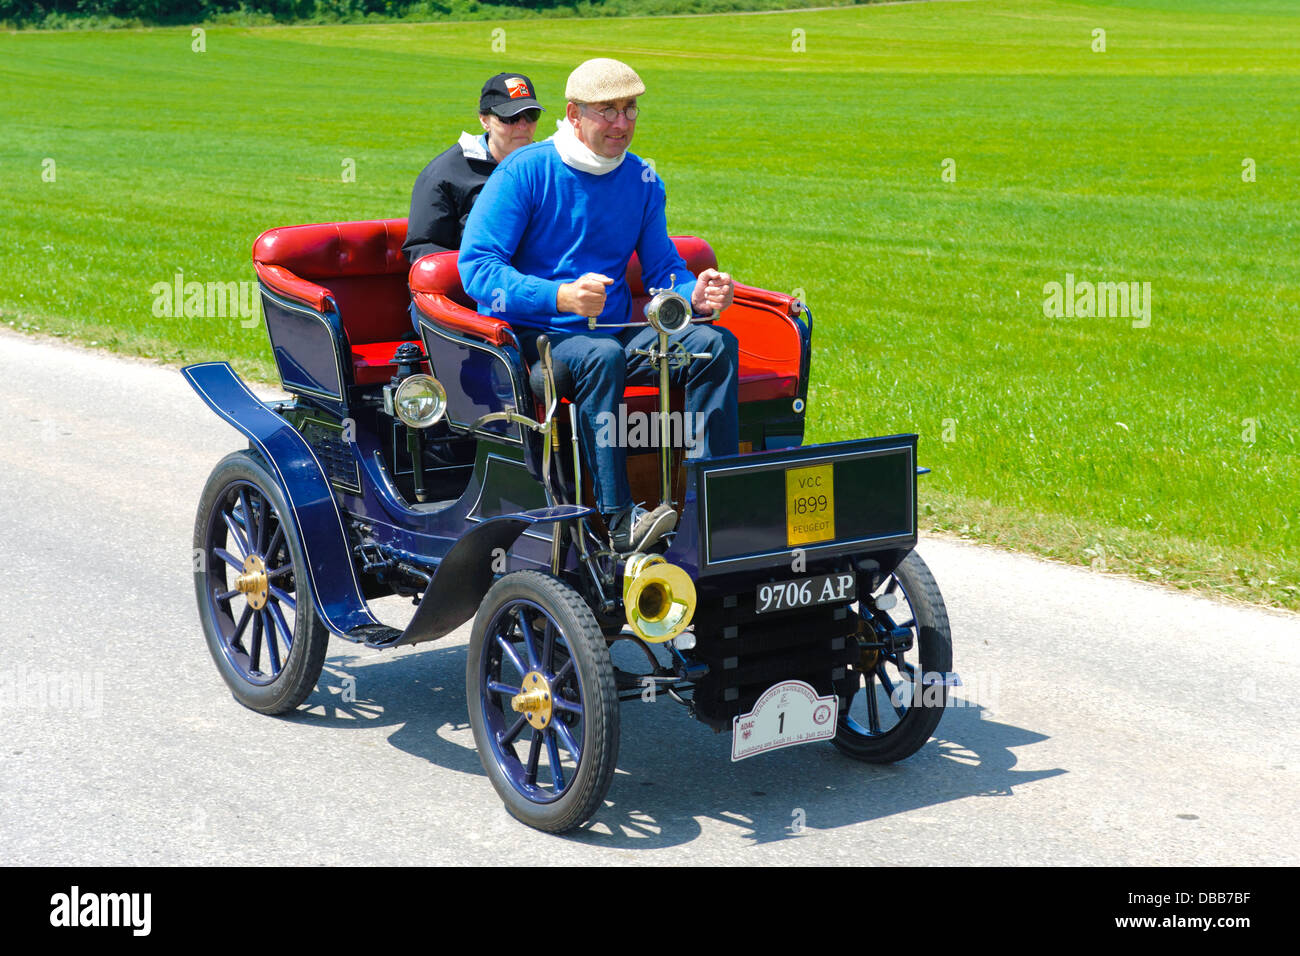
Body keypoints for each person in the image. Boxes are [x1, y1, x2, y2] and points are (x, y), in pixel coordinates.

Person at [458, 58, 738, 554]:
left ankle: (709, 505)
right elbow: (476, 268)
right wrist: (557, 295)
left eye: (630, 109)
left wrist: (692, 294)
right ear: (573, 114)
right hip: (533, 345)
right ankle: (618, 521)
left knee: (712, 345)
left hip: (608, 335)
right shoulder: (525, 172)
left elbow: (662, 271)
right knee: (599, 355)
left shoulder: (643, 179)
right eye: (607, 111)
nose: (622, 123)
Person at [401, 72, 543, 264]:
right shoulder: (445, 174)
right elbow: (422, 248)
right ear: (484, 120)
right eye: (510, 118)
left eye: (531, 115)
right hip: (472, 286)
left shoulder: (547, 165)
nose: (523, 125)